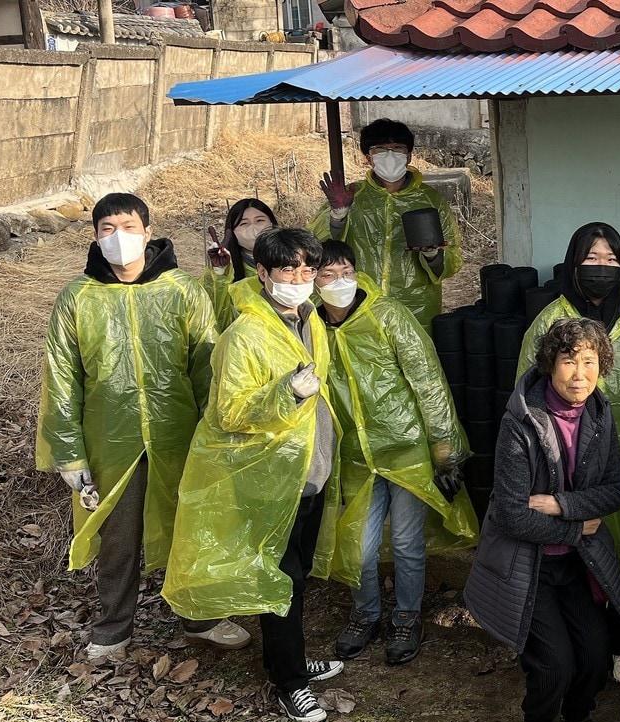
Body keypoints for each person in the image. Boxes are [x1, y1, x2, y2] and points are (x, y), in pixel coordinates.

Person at [36, 193, 249, 660]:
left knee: (188, 525)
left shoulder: (181, 291)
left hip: (179, 434)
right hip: (111, 441)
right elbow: (62, 378)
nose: (119, 238)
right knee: (118, 534)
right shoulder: (78, 297)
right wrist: (68, 451)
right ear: (94, 236)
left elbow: (206, 368)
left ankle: (200, 616)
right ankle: (113, 628)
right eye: (107, 229)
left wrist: (214, 435)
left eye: (128, 227)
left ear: (149, 231)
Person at [164, 228, 357, 722]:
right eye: (288, 269)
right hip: (269, 477)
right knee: (282, 577)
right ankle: (289, 683)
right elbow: (227, 410)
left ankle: (287, 660)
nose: (300, 279)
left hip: (308, 467)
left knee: (295, 578)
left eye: (308, 270)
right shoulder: (245, 333)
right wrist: (286, 395)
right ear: (264, 273)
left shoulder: (309, 320)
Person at [464, 318, 620, 722]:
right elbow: (513, 513)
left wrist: (560, 504)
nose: (580, 373)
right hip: (529, 562)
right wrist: (578, 527)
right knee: (553, 661)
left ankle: (577, 717)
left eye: (590, 361)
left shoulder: (599, 413)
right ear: (549, 363)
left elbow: (617, 488)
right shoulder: (521, 422)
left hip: (577, 563)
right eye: (569, 360)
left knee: (596, 656)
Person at [517, 223, 620, 684]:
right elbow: (526, 391)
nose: (601, 268)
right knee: (577, 544)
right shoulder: (551, 321)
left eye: (610, 260)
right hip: (566, 455)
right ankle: (585, 644)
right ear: (572, 263)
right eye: (591, 260)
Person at [314, 240, 479, 666]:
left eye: (346, 271)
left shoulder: (388, 316)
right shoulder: (310, 327)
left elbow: (428, 383)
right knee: (360, 546)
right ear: (312, 280)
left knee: (406, 543)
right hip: (354, 456)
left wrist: (445, 451)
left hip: (407, 450)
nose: (339, 282)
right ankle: (365, 614)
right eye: (327, 274)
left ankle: (406, 617)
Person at [311, 118, 461, 330]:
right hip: (358, 303)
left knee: (416, 357)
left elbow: (452, 258)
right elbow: (318, 250)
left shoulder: (431, 200)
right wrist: (338, 216)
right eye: (380, 149)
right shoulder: (349, 196)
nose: (390, 155)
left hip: (415, 305)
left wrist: (432, 255)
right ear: (368, 158)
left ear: (409, 156)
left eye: (397, 148)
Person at [205, 198, 277, 329]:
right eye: (244, 224)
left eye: (259, 221)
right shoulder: (227, 270)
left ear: (272, 223)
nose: (253, 228)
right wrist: (221, 272)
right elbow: (217, 315)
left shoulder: (293, 261)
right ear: (232, 232)